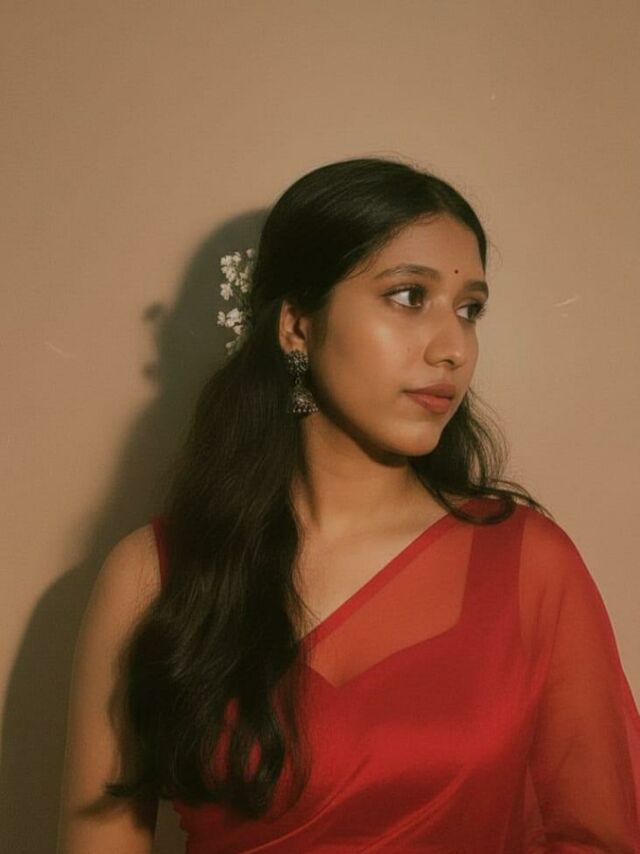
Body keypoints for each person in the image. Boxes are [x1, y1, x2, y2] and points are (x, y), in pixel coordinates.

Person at [57, 157, 640, 853]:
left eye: (469, 310)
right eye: (407, 296)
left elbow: (601, 831)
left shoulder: (526, 563)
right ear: (296, 325)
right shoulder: (155, 575)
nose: (453, 348)